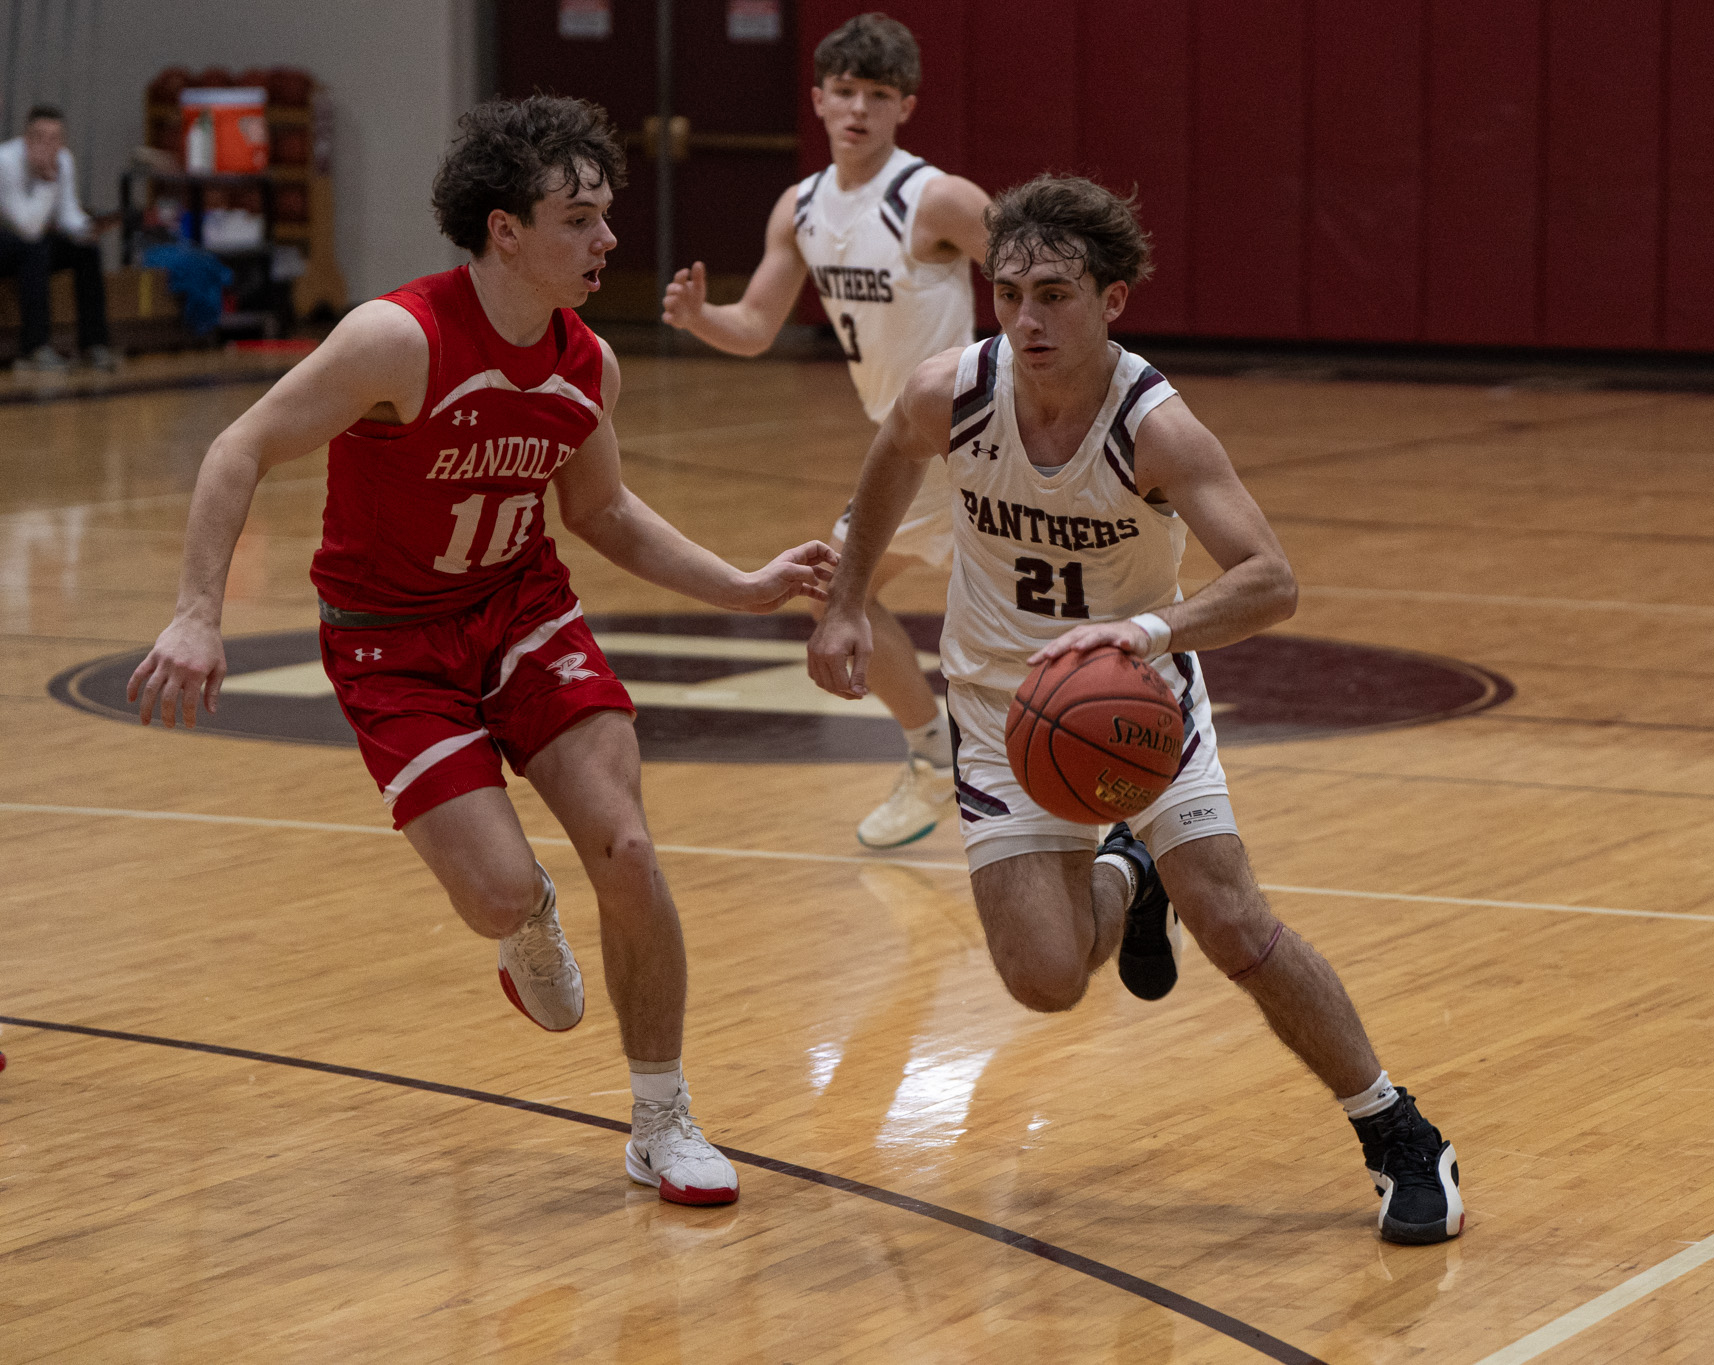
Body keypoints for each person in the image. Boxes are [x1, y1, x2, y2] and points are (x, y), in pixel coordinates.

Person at [125, 96, 837, 1208]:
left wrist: (742, 587)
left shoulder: (587, 363)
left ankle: (662, 1117)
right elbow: (240, 446)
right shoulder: (394, 339)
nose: (606, 241)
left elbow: (601, 514)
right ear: (505, 230)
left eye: (607, 217)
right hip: (389, 647)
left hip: (522, 618)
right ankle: (526, 921)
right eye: (579, 219)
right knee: (501, 892)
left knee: (631, 850)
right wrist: (196, 612)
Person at [808, 176, 1464, 1244]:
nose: (1027, 318)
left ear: (1111, 300)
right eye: (1010, 292)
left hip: (1134, 696)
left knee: (1233, 920)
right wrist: (844, 604)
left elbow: (1270, 580)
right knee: (1044, 982)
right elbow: (889, 456)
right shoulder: (951, 392)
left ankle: (1393, 1128)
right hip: (991, 708)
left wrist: (1149, 634)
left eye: (1055, 294)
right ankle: (1128, 870)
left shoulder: (1153, 427)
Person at [663, 12, 989, 849]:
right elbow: (758, 325)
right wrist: (704, 320)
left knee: (865, 594)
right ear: (817, 99)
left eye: (877, 95)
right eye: (844, 91)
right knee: (842, 591)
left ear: (904, 107)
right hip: (909, 444)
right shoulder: (802, 208)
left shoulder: (936, 198)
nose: (858, 109)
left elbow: (1040, 270)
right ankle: (938, 755)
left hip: (977, 435)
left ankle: (1085, 793)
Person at [0, 104, 115, 373]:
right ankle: (34, 348)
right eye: (41, 137)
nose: (49, 145)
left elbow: (67, 213)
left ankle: (94, 344)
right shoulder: (5, 161)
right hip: (8, 243)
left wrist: (88, 229)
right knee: (35, 248)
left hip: (29, 244)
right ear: (26, 139)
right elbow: (27, 227)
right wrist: (47, 180)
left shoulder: (64, 159)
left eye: (55, 138)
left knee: (86, 250)